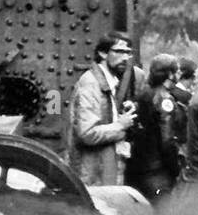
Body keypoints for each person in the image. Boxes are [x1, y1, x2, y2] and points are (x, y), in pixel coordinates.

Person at [66, 31, 138, 187]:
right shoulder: (91, 84)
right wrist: (120, 125)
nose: (125, 58)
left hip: (101, 172)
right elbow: (87, 133)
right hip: (92, 177)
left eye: (128, 53)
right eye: (119, 52)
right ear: (103, 53)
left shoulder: (107, 81)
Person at [126, 54, 181, 201]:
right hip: (157, 170)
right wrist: (175, 168)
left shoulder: (144, 93)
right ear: (170, 74)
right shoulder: (165, 99)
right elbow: (167, 140)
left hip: (137, 165)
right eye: (177, 71)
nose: (179, 74)